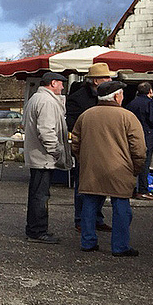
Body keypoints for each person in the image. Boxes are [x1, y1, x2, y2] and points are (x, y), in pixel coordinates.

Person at [71, 81, 145, 256]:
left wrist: (83, 161)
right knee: (121, 207)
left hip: (91, 169)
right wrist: (137, 167)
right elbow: (139, 148)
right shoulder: (127, 117)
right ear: (117, 96)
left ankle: (88, 242)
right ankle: (120, 246)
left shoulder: (86, 115)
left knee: (89, 205)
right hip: (120, 169)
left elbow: (75, 143)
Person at [23, 71, 71, 243]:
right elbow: (46, 131)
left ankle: (35, 229)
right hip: (43, 158)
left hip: (38, 156)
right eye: (61, 83)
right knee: (40, 196)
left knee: (37, 194)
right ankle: (37, 231)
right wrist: (57, 152)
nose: (63, 87)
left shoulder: (36, 99)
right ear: (52, 83)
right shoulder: (47, 101)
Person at [67, 62, 115, 233]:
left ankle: (97, 217)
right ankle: (81, 219)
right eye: (106, 77)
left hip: (104, 148)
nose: (110, 80)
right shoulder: (78, 98)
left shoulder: (107, 97)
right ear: (96, 81)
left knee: (101, 185)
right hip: (87, 149)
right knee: (83, 186)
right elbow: (72, 124)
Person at [125, 81, 153, 200]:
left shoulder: (132, 103)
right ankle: (143, 190)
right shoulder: (150, 103)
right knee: (144, 163)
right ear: (150, 91)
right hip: (147, 134)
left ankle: (130, 188)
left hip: (132, 135)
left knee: (132, 162)